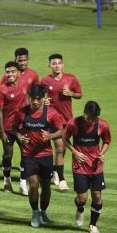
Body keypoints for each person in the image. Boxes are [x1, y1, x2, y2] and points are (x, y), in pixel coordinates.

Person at [12, 85, 64, 227]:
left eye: (38, 99)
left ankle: (43, 212)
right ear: (29, 98)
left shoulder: (51, 113)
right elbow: (14, 128)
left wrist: (50, 135)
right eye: (32, 99)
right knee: (34, 186)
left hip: (46, 155)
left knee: (46, 186)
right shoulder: (22, 113)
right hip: (28, 156)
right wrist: (20, 136)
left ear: (43, 98)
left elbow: (61, 131)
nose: (35, 102)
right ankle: (35, 212)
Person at [64, 101, 111, 233]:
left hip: (96, 166)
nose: (92, 120)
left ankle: (92, 225)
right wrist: (75, 152)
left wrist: (102, 153)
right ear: (84, 113)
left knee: (97, 196)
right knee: (82, 198)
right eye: (90, 117)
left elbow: (106, 141)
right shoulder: (73, 124)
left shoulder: (102, 125)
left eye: (94, 117)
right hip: (79, 166)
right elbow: (65, 138)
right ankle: (80, 209)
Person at [41, 53, 82, 191]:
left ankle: (55, 171)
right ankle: (62, 178)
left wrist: (71, 93)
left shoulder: (71, 78)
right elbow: (38, 96)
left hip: (67, 119)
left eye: (59, 63)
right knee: (59, 147)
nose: (57, 65)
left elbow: (79, 94)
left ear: (63, 64)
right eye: (54, 63)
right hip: (52, 118)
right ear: (49, 65)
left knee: (63, 149)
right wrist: (43, 101)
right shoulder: (45, 80)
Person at [0, 61, 28, 195]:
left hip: (23, 128)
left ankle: (22, 183)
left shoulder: (25, 86)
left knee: (26, 154)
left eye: (13, 71)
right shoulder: (1, 90)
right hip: (8, 128)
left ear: (19, 73)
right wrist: (1, 131)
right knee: (8, 155)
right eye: (8, 72)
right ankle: (7, 180)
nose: (10, 74)